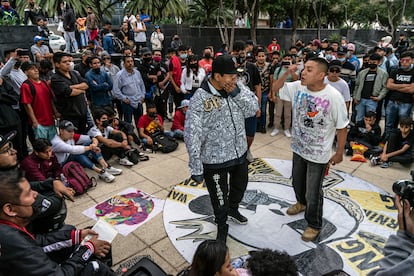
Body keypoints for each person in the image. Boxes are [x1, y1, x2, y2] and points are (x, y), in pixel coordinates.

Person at [272, 57, 349, 242]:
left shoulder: (333, 96)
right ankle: (301, 203)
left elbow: (342, 126)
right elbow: (276, 89)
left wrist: (339, 152)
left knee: (313, 191)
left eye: (309, 69)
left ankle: (314, 224)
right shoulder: (298, 86)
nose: (303, 72)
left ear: (321, 75)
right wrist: (287, 74)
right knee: (297, 182)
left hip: (318, 154)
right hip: (299, 148)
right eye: (303, 68)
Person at [184, 54, 259, 242]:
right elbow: (192, 133)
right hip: (214, 160)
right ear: (217, 76)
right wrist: (196, 166)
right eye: (231, 76)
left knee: (239, 188)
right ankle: (222, 225)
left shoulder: (237, 88)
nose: (235, 80)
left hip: (239, 153)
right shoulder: (199, 99)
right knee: (219, 197)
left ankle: (233, 209)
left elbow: (253, 109)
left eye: (236, 76)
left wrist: (236, 93)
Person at [0, 169, 115, 275]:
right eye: (28, 193)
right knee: (95, 267)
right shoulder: (14, 244)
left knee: (89, 233)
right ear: (10, 209)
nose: (35, 194)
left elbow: (38, 242)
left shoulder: (9, 229)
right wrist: (88, 249)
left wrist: (77, 236)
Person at [52, 120, 122, 182]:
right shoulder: (56, 142)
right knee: (77, 153)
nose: (72, 133)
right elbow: (73, 150)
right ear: (61, 131)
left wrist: (94, 144)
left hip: (72, 160)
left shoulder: (71, 136)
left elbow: (91, 138)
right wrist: (90, 147)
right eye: (69, 131)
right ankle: (100, 172)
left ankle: (105, 166)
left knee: (86, 147)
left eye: (73, 131)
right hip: (62, 166)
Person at [51, 52, 89, 134]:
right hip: (70, 114)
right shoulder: (55, 78)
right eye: (64, 62)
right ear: (57, 64)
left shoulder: (74, 73)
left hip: (82, 112)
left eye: (68, 61)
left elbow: (86, 84)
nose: (68, 63)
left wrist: (71, 86)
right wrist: (80, 90)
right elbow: (68, 92)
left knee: (83, 137)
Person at [20, 61, 58, 141]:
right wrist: (34, 121)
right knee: (43, 147)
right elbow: (27, 105)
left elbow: (50, 99)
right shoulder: (26, 85)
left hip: (50, 120)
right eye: (32, 69)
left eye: (36, 68)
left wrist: (55, 112)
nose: (36, 70)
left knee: (54, 145)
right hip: (39, 123)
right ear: (26, 72)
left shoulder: (44, 83)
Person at [384, 51, 414, 140]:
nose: (404, 62)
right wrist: (405, 85)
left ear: (412, 60)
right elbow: (389, 85)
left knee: (404, 125)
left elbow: (411, 89)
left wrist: (395, 86)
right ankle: (387, 141)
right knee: (389, 124)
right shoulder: (395, 70)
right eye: (402, 60)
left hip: (406, 103)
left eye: (407, 60)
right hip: (392, 101)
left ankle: (402, 142)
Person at [353, 53, 388, 123]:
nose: (372, 63)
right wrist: (355, 97)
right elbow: (357, 85)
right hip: (360, 99)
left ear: (379, 62)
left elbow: (385, 87)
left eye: (374, 62)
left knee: (370, 120)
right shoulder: (362, 73)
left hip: (372, 100)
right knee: (359, 119)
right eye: (370, 62)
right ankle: (359, 133)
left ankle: (369, 133)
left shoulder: (383, 74)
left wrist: (379, 97)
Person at [270, 54, 298, 137]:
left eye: (289, 59)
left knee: (287, 114)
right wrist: (273, 94)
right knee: (278, 113)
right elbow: (274, 82)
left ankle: (286, 128)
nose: (287, 60)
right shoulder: (278, 70)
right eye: (285, 59)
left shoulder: (294, 70)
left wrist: (291, 70)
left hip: (289, 94)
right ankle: (276, 128)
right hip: (279, 94)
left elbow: (296, 79)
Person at [113, 55, 146, 126]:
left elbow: (142, 85)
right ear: (124, 63)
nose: (130, 63)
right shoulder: (119, 75)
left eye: (131, 61)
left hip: (138, 101)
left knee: (140, 122)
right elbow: (116, 90)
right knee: (128, 123)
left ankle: (141, 136)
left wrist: (143, 96)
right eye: (128, 62)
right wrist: (124, 98)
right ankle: (129, 136)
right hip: (128, 102)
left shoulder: (137, 73)